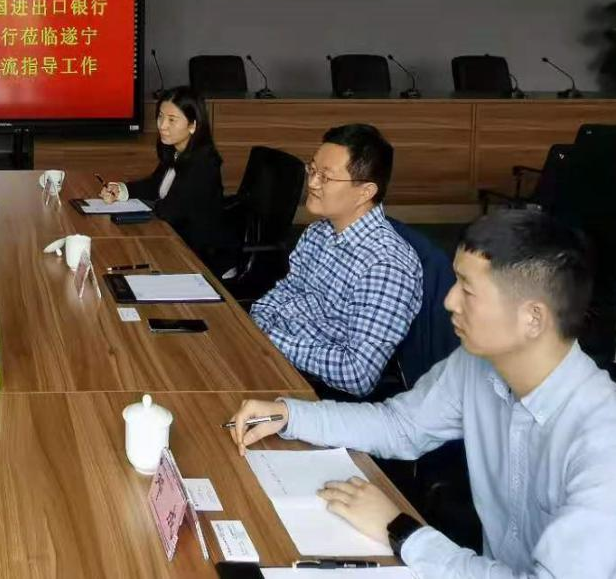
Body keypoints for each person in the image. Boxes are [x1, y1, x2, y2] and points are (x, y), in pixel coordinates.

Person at [229, 210, 616, 578]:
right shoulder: (478, 364)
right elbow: (401, 425)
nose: (449, 301)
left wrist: (402, 531)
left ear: (533, 317)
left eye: (467, 290)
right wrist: (291, 415)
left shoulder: (602, 442)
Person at [249, 124, 422, 397]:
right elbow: (286, 291)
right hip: (276, 356)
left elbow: (357, 374)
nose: (312, 183)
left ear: (365, 192)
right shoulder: (318, 232)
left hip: (315, 389)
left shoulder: (386, 266)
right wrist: (256, 325)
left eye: (326, 177)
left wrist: (270, 340)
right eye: (312, 170)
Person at [99, 86, 227, 271]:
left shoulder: (203, 164)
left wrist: (128, 215)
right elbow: (154, 185)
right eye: (160, 116)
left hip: (195, 255)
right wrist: (121, 190)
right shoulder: (176, 152)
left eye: (172, 120)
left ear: (193, 125)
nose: (162, 125)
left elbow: (170, 210)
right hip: (170, 240)